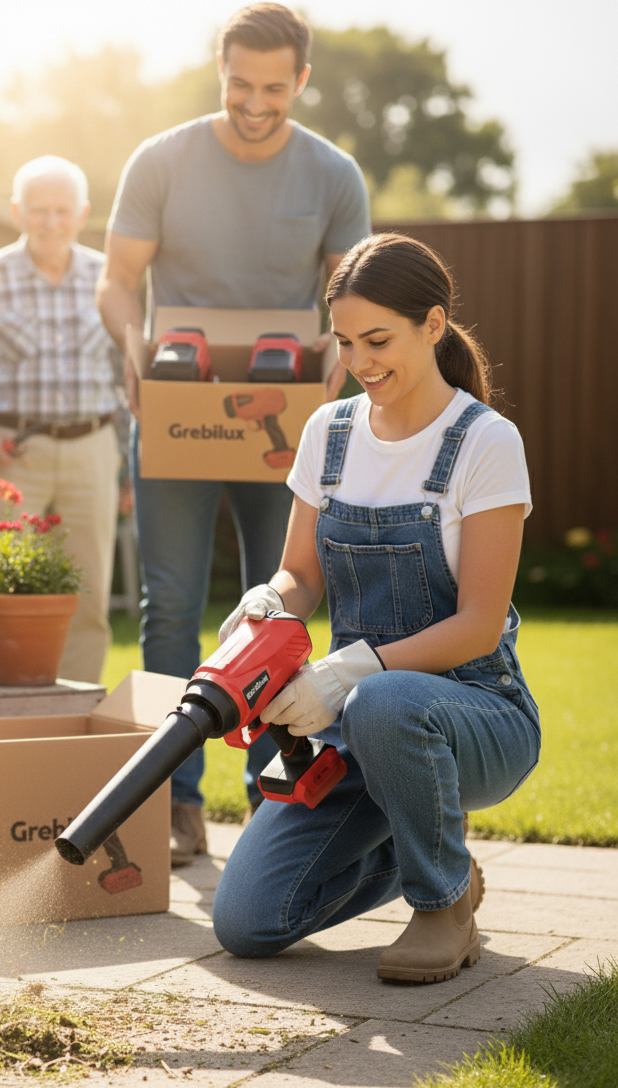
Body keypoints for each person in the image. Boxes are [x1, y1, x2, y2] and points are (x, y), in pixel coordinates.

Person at [212, 233, 540, 983]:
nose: (361, 362)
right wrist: (268, 601)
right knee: (247, 921)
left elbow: (479, 625)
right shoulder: (329, 431)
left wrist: (350, 670)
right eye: (347, 342)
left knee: (385, 702)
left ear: (433, 325)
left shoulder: (485, 443)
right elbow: (299, 573)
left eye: (380, 339)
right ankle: (434, 851)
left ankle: (442, 906)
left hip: (475, 713)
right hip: (354, 720)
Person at [97, 3, 371, 864]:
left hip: (281, 419)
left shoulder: (331, 173)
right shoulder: (163, 160)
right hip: (178, 409)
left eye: (275, 88)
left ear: (302, 81)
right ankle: (175, 804)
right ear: (222, 75)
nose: (256, 103)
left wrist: (336, 360)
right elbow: (117, 281)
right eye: (240, 85)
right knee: (170, 603)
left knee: (276, 605)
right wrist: (132, 347)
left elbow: (351, 292)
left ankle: (268, 800)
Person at [0, 156, 122, 684]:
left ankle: (78, 708)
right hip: (11, 453)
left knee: (88, 594)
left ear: (82, 213)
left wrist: (127, 462)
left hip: (93, 447)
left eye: (62, 210)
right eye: (39, 210)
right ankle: (6, 706)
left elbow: (127, 376)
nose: (51, 221)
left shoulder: (109, 279)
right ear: (18, 210)